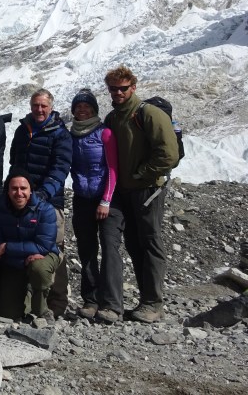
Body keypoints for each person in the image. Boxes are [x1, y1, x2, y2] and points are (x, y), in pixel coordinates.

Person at [104, 65, 179, 323]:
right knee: (135, 244)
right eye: (113, 89)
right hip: (127, 191)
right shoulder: (115, 117)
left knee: (150, 241)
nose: (118, 92)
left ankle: (153, 303)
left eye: (123, 88)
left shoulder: (148, 113)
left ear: (133, 87)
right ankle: (146, 301)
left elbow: (169, 153)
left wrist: (143, 173)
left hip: (148, 190)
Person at [9, 88, 72, 316]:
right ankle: (29, 302)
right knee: (27, 247)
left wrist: (43, 194)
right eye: (36, 105)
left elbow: (60, 169)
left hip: (50, 201)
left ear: (51, 107)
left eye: (43, 105)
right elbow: (14, 162)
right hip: (21, 199)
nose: (39, 109)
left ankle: (57, 303)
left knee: (54, 250)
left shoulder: (60, 134)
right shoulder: (22, 131)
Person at [69, 89, 120, 323]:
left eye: (87, 105)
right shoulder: (70, 135)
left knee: (109, 249)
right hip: (81, 198)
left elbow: (112, 168)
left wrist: (106, 200)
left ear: (94, 109)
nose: (82, 109)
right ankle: (91, 300)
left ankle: (111, 303)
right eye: (78, 106)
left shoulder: (104, 133)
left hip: (105, 199)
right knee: (86, 250)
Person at [0, 168, 61, 323]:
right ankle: (26, 294)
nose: (19, 193)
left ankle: (41, 306)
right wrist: (19, 257)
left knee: (38, 268)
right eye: (14, 188)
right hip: (14, 261)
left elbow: (43, 245)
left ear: (31, 190)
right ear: (7, 191)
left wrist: (8, 248)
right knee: (8, 314)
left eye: (23, 188)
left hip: (43, 255)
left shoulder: (45, 209)